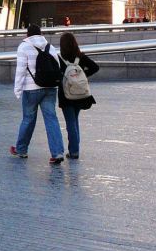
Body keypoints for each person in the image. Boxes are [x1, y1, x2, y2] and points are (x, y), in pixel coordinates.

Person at [11, 23, 65, 165]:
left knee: (28, 119)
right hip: (50, 88)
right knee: (51, 118)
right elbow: (57, 67)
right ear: (40, 34)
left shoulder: (24, 46)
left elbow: (21, 70)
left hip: (31, 89)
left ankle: (21, 150)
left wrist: (17, 90)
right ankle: (57, 152)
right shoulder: (50, 47)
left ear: (27, 34)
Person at [58, 32, 100, 160]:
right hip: (81, 95)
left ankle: (74, 151)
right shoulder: (80, 56)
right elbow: (95, 67)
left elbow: (57, 74)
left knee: (70, 123)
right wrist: (82, 75)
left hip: (66, 95)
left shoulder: (59, 58)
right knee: (75, 122)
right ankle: (74, 149)